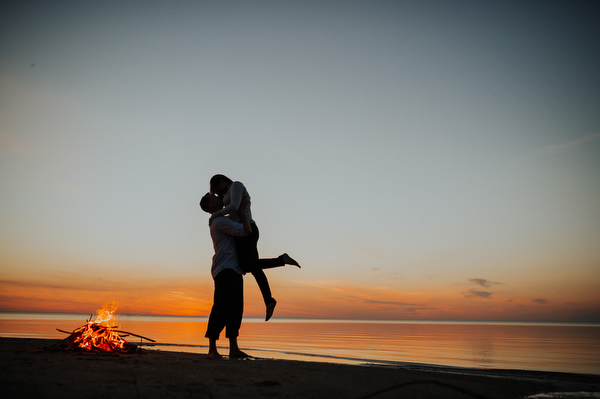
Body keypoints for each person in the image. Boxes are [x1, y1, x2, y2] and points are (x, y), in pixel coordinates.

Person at [209, 174, 299, 321]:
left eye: (217, 189)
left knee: (247, 266)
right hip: (240, 231)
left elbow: (235, 207)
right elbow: (233, 212)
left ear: (221, 181)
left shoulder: (236, 185)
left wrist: (215, 215)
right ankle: (269, 300)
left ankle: (282, 260)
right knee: (254, 268)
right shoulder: (228, 192)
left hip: (247, 228)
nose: (219, 194)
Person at [200, 193, 252, 359]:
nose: (218, 196)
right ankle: (212, 349)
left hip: (234, 268)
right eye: (213, 196)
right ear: (211, 206)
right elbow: (244, 231)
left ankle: (234, 349)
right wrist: (242, 211)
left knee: (236, 309)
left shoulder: (221, 219)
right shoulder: (219, 221)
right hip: (225, 269)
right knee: (221, 308)